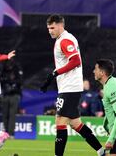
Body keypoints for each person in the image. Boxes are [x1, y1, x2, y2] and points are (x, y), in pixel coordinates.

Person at [40, 14, 104, 156]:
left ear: (60, 25)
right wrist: (52, 76)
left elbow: (75, 61)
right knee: (76, 124)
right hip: (68, 87)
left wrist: (55, 74)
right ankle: (101, 151)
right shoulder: (63, 39)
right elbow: (67, 63)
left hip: (70, 88)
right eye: (48, 28)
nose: (50, 31)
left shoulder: (65, 40)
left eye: (52, 27)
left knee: (60, 122)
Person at [0, 59, 23, 139]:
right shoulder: (3, 71)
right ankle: (5, 133)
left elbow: (20, 82)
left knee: (12, 114)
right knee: (5, 114)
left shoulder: (17, 69)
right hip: (5, 95)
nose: (9, 64)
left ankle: (11, 134)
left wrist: (12, 85)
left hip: (14, 95)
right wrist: (7, 84)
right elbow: (0, 80)